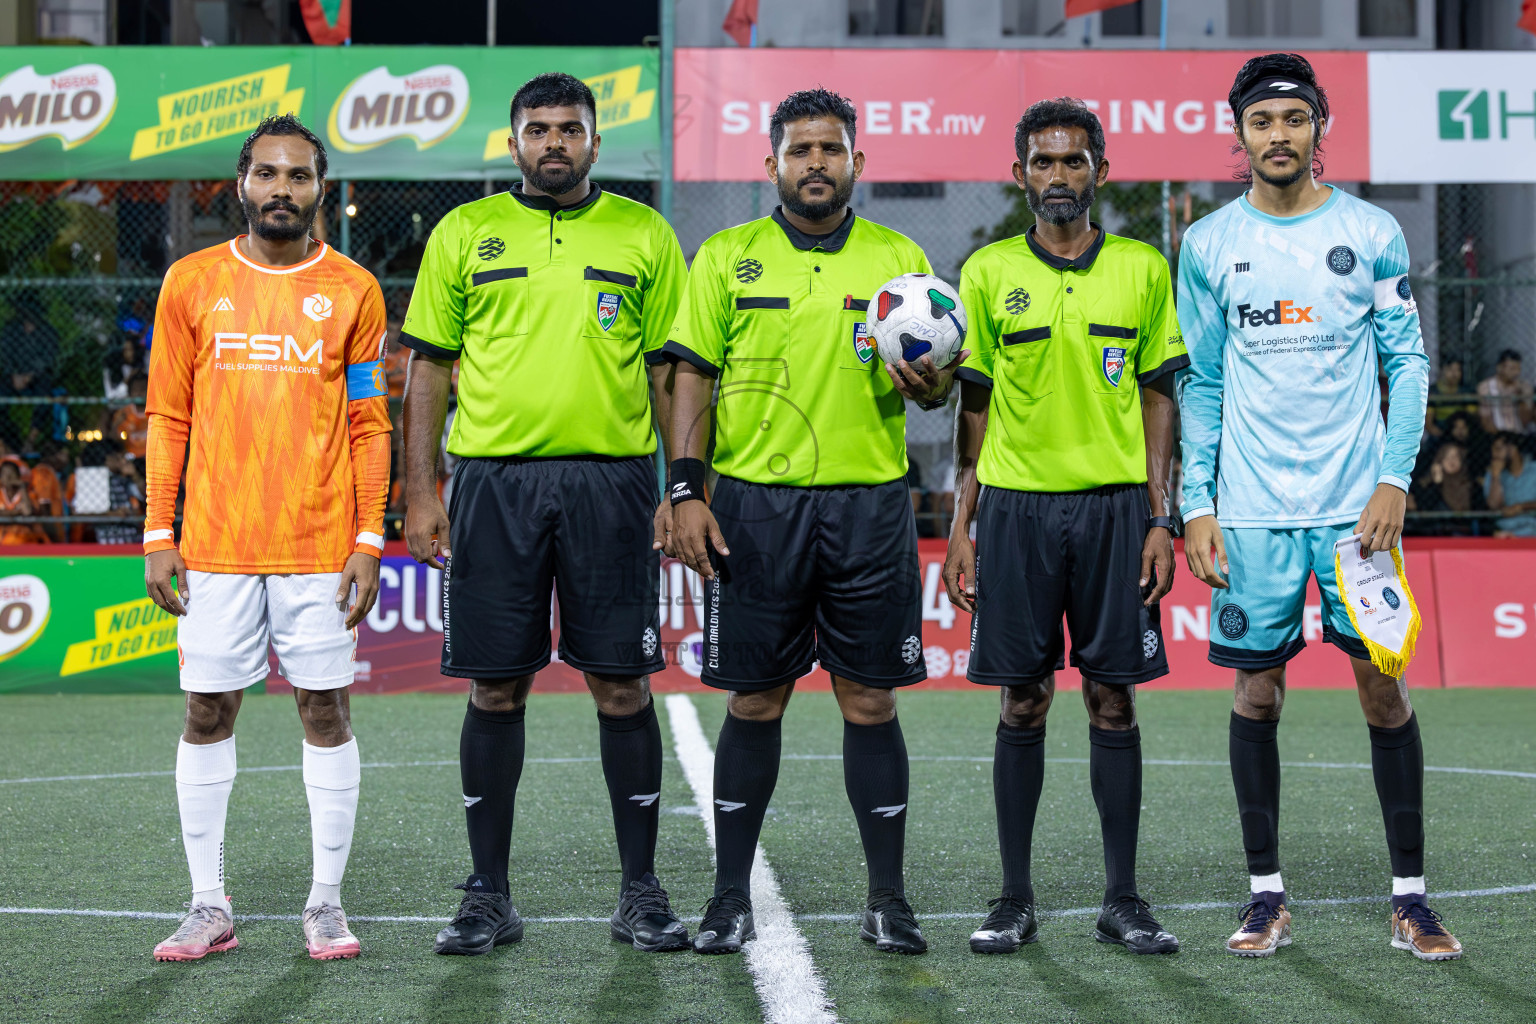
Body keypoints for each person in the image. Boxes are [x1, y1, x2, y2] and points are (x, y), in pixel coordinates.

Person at [401, 72, 690, 956]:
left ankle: (640, 892)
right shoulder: (465, 233)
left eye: (571, 128)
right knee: (497, 685)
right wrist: (420, 491)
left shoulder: (644, 233)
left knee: (622, 683)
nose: (554, 141)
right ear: (514, 141)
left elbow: (672, 376)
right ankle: (488, 895)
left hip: (611, 485)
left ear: (597, 143)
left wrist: (681, 487)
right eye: (538, 128)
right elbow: (429, 375)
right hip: (493, 484)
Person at [1178, 53, 1458, 961]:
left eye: (1295, 120)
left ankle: (1411, 898)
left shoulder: (1371, 232)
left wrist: (1393, 480)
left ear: (1318, 128)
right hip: (1253, 514)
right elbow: (1205, 381)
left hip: (1355, 515)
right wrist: (1197, 502)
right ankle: (1266, 896)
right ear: (1241, 134)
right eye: (1262, 122)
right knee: (1257, 692)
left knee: (1384, 689)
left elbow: (1408, 365)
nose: (1279, 136)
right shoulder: (1210, 244)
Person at [666, 88, 955, 957]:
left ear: (857, 163)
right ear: (774, 166)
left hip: (868, 505)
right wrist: (685, 489)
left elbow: (937, 384)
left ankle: (888, 900)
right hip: (754, 507)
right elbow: (692, 378)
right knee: (756, 701)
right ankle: (727, 899)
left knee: (869, 700)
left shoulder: (899, 257)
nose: (816, 164)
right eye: (800, 151)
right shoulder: (726, 256)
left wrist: (933, 382)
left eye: (832, 149)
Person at [142, 114, 391, 963]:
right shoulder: (190, 282)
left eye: (298, 176)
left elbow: (369, 422)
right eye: (267, 174)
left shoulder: (354, 288)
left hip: (321, 547)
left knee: (326, 710)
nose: (282, 189)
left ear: (321, 189)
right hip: (213, 545)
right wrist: (155, 532)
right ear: (241, 184)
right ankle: (208, 905)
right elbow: (167, 416)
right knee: (206, 711)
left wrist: (368, 536)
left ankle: (325, 903)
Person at [943, 98, 1186, 956]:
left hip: (1120, 511)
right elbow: (970, 414)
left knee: (1113, 700)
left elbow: (1161, 399)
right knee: (1024, 697)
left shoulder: (1144, 271)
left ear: (1100, 172)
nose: (1058, 176)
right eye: (1042, 163)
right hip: (1015, 511)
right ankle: (1014, 898)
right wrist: (961, 526)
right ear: (1019, 176)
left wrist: (1164, 516)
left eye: (1073, 162)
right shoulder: (983, 273)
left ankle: (1123, 899)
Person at [1409, 442, 1484, 536]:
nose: (1452, 460)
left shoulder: (1472, 485)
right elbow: (1425, 512)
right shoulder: (1427, 485)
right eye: (1447, 457)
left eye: (1456, 456)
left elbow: (1480, 515)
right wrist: (1436, 484)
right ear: (1439, 461)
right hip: (1435, 536)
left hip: (1464, 536)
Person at [1486, 433, 1536, 537]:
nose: (1495, 455)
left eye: (1498, 449)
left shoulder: (1534, 470)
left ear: (1513, 449)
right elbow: (1493, 505)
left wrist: (1521, 507)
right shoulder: (1492, 474)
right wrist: (1496, 477)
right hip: (1505, 530)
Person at [1477, 349, 1533, 435]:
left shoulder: (1523, 386)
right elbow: (1486, 419)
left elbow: (1526, 420)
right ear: (1499, 368)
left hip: (1519, 433)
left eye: (1518, 369)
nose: (1516, 373)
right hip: (1496, 434)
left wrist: (1524, 398)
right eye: (1512, 369)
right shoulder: (1486, 387)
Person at [1423, 357, 1476, 440]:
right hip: (1440, 433)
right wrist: (1443, 436)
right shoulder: (1433, 391)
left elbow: (1471, 418)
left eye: (1457, 370)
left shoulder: (1466, 391)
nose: (1454, 374)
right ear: (1442, 371)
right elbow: (1429, 424)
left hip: (1460, 432)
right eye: (1450, 369)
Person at [29, 440, 69, 543]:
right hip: (47, 537)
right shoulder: (44, 474)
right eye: (64, 455)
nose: (67, 459)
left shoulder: (51, 473)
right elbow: (44, 509)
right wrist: (54, 540)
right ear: (53, 456)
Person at [0, 455, 40, 545]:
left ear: (18, 476)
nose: (8, 477)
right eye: (5, 474)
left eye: (11, 473)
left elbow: (27, 512)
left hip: (22, 538)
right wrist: (17, 513)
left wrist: (22, 487)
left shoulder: (27, 492)